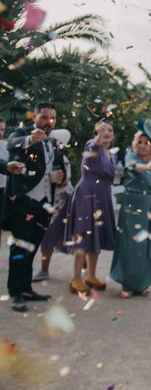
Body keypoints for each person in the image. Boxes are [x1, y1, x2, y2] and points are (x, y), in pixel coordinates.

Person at [2, 102, 65, 312]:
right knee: (20, 248)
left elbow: (54, 168)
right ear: (35, 117)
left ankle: (27, 288)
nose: (49, 122)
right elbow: (12, 143)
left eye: (52, 118)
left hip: (44, 203)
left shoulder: (54, 142)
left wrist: (59, 177)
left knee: (33, 247)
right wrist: (29, 139)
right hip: (23, 203)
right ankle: (16, 293)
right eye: (45, 117)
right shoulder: (22, 133)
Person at [64, 120, 117, 295]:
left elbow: (112, 176)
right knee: (83, 235)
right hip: (87, 194)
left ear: (114, 134)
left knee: (97, 235)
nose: (107, 132)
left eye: (110, 130)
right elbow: (93, 145)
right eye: (102, 130)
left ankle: (91, 276)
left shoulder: (111, 154)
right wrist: (98, 138)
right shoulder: (91, 145)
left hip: (102, 195)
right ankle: (76, 278)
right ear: (96, 132)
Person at [109, 131, 151, 297]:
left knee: (145, 246)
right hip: (131, 205)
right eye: (139, 142)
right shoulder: (130, 157)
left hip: (149, 206)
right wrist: (147, 167)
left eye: (147, 143)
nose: (142, 145)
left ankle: (141, 284)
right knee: (129, 245)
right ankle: (126, 284)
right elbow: (133, 167)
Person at [33, 154, 73, 282]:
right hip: (48, 200)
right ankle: (44, 270)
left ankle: (84, 268)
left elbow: (65, 180)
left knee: (72, 233)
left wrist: (56, 179)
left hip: (63, 200)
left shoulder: (61, 159)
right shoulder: (40, 158)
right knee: (49, 235)